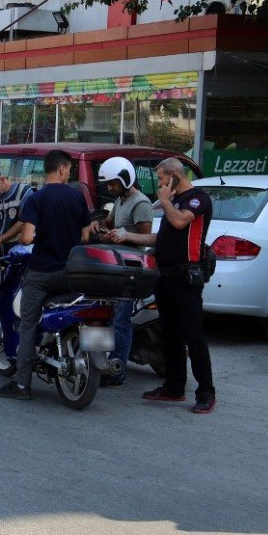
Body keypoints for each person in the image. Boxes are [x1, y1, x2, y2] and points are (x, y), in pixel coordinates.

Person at [110, 157, 215, 414]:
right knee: (170, 335)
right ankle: (173, 387)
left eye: (160, 178)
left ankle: (206, 392)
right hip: (165, 275)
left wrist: (166, 200)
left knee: (193, 335)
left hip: (186, 277)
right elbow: (163, 237)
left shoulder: (197, 199)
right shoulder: (173, 203)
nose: (159, 184)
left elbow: (180, 222)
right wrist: (126, 235)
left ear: (174, 177)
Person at [0, 149, 91, 401]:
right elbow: (85, 236)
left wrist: (39, 237)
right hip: (71, 271)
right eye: (69, 169)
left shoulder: (35, 199)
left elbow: (26, 237)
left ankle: (22, 386)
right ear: (61, 169)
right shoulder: (77, 197)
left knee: (27, 323)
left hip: (41, 271)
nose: (69, 173)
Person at [91, 156, 155, 387]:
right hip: (114, 267)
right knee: (102, 314)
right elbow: (109, 223)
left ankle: (117, 371)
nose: (109, 188)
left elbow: (144, 239)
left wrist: (123, 236)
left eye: (113, 183)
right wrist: (100, 227)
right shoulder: (121, 200)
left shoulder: (141, 203)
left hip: (131, 270)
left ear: (125, 179)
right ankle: (99, 364)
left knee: (121, 320)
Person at [0, 167, 33, 251]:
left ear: (2, 180)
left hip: (18, 248)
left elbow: (23, 223)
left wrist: (0, 240)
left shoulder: (24, 192)